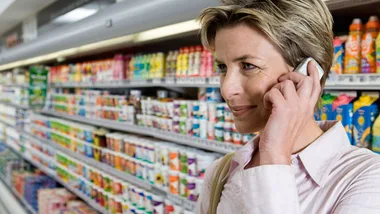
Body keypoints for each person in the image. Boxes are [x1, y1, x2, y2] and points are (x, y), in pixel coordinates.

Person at [196, 0, 380, 213]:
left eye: (248, 66)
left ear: (307, 73)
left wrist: (274, 155)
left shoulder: (366, 180)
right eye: (222, 67)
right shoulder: (219, 173)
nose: (226, 90)